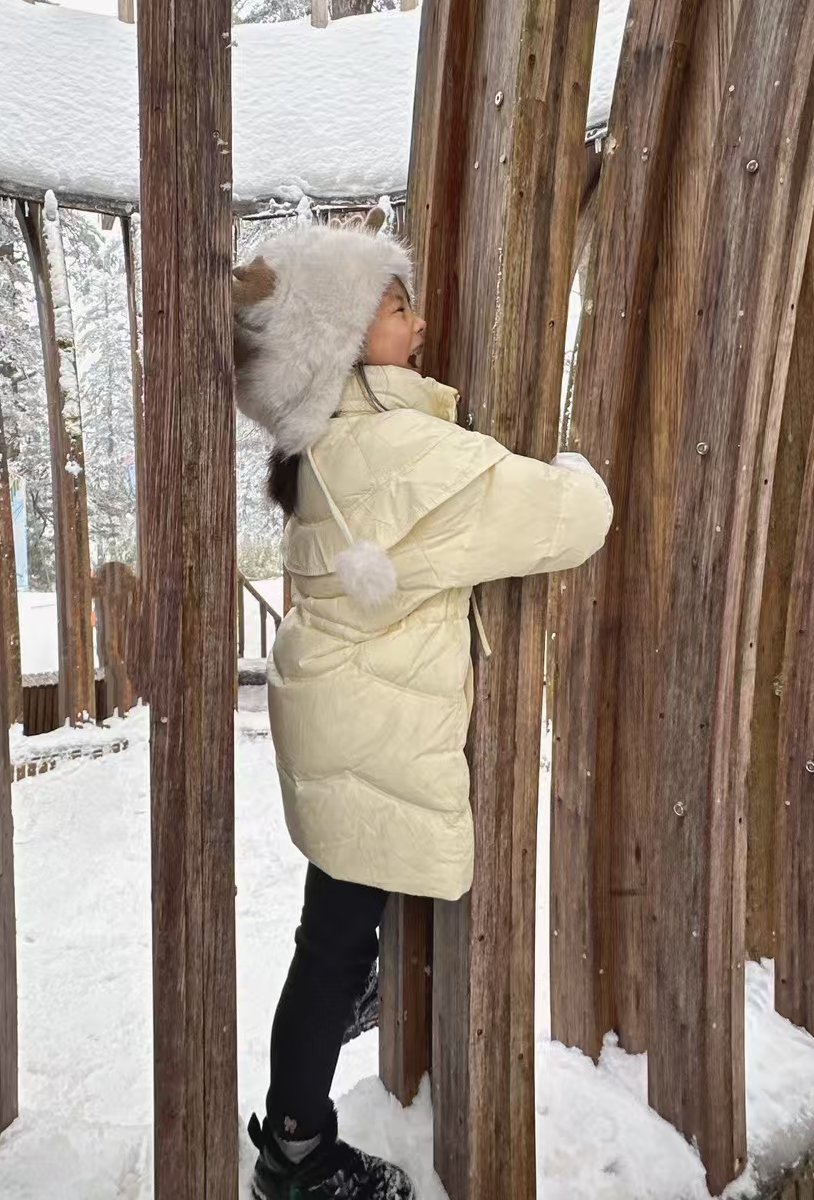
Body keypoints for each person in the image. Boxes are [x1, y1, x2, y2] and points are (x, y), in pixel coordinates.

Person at [234, 219, 613, 1200]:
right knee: (332, 937)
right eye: (399, 306)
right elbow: (572, 519)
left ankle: (322, 1052)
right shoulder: (399, 449)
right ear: (344, 333)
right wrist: (575, 464)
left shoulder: (330, 444)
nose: (423, 317)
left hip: (339, 719)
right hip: (366, 728)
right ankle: (297, 1148)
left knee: (332, 925)